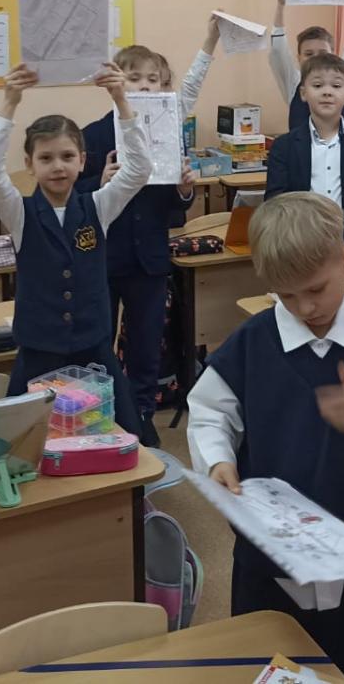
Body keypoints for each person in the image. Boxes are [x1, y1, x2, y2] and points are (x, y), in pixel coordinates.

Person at [189, 192, 344, 684]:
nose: (305, 307)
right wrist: (217, 460)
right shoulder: (252, 342)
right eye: (286, 296)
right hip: (267, 552)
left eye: (316, 289)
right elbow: (209, 412)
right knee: (262, 664)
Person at [0, 63, 150, 434]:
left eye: (67, 156)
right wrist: (10, 101)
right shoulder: (19, 212)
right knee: (27, 441)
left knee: (117, 435)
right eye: (46, 158)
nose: (58, 166)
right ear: (29, 164)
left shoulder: (98, 206)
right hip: (39, 350)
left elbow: (139, 169)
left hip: (94, 348)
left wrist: (121, 99)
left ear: (82, 160)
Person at [77, 25, 218, 442]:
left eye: (152, 79)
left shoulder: (167, 134)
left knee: (145, 345)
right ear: (115, 84)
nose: (143, 86)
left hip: (150, 260)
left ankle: (142, 416)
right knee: (97, 342)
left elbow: (174, 210)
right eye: (134, 78)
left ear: (162, 87)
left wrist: (186, 189)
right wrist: (98, 182)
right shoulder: (92, 136)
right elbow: (71, 202)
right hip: (103, 259)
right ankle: (100, 417)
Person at [265, 54, 344, 273]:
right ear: (303, 93)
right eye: (317, 85)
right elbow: (275, 202)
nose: (327, 92)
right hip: (300, 252)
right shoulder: (284, 146)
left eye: (336, 85)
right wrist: (297, 240)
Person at [270, 0, 344, 131]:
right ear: (299, 58)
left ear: (333, 54)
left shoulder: (342, 79)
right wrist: (280, 4)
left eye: (322, 53)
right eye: (309, 54)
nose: (316, 59)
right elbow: (277, 50)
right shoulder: (293, 82)